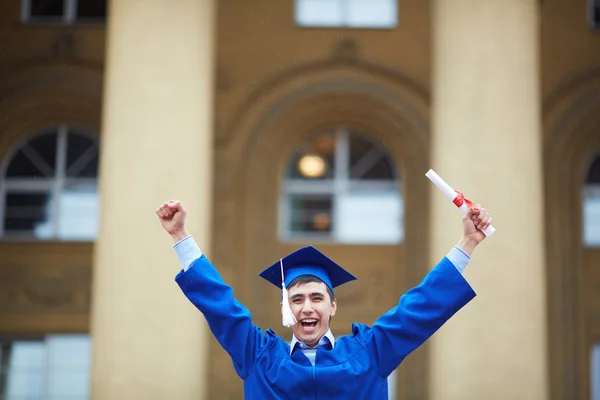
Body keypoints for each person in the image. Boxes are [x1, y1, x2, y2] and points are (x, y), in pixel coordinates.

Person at [156, 199, 492, 400]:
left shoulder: (370, 353)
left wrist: (468, 242)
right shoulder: (259, 356)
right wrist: (179, 236)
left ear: (333, 306)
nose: (306, 307)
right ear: (285, 309)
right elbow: (222, 308)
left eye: (317, 297)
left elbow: (419, 308)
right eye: (296, 299)